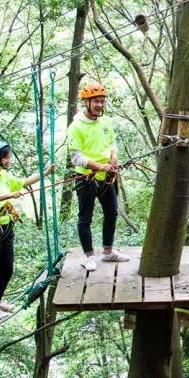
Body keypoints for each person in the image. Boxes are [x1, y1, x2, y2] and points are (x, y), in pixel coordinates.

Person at [0, 140, 53, 321]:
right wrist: (9, 195)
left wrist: (44, 174)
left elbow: (23, 182)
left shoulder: (2, 175)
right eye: (6, 156)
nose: (9, 159)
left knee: (7, 267)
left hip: (6, 223)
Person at [66, 82, 129, 271]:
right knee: (85, 218)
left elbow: (112, 144)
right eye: (96, 102)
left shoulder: (106, 122)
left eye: (102, 101)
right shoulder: (76, 126)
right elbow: (76, 157)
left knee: (112, 212)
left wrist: (114, 159)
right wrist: (100, 165)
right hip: (86, 178)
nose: (99, 105)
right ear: (86, 103)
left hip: (107, 176)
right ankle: (89, 256)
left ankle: (108, 251)